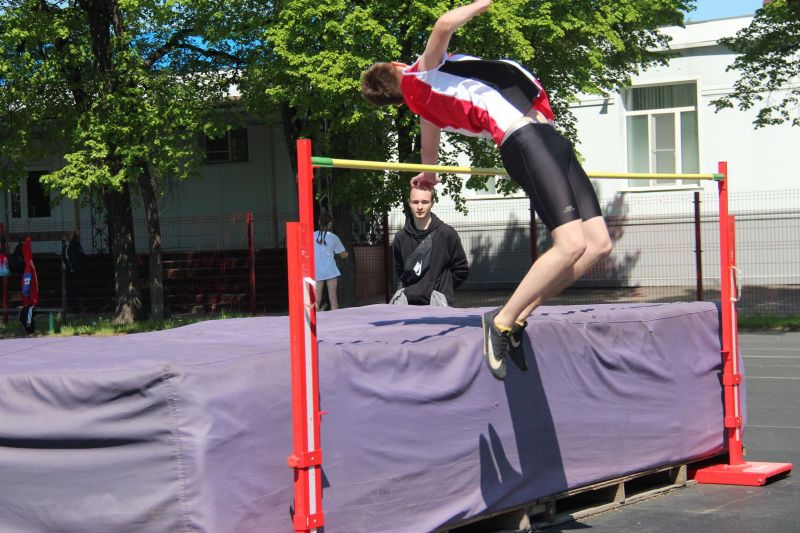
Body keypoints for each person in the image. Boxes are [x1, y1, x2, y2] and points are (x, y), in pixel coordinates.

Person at [361, 0, 612, 380]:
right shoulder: (420, 72)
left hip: (549, 138)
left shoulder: (424, 105)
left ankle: (516, 319)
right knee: (571, 244)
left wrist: (427, 176)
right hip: (526, 140)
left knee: (598, 244)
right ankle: (501, 320)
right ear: (398, 68)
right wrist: (483, 3)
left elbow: (429, 154)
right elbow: (444, 24)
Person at [391, 185, 469, 306]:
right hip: (410, 305)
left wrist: (443, 289)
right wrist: (413, 291)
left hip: (439, 305)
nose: (420, 207)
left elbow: (461, 269)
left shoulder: (447, 234)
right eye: (415, 202)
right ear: (409, 203)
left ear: (432, 203)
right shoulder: (401, 238)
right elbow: (401, 271)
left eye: (425, 202)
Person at [314, 213, 348, 310]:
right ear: (330, 223)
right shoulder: (333, 237)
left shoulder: (312, 236)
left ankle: (315, 318)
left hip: (316, 270)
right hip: (331, 270)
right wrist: (346, 254)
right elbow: (343, 254)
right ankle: (335, 318)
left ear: (319, 222)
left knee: (316, 298)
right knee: (333, 297)